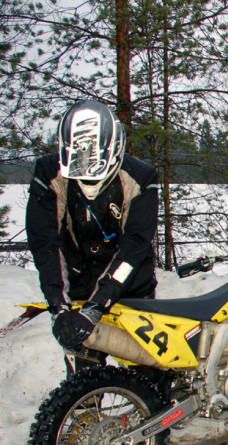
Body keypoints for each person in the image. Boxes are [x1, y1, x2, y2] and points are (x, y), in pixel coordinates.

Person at [26, 99, 160, 377]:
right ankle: (85, 417)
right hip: (78, 282)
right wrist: (58, 306)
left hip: (131, 287)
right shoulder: (49, 176)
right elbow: (45, 244)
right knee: (83, 374)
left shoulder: (140, 179)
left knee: (148, 371)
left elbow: (134, 246)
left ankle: (157, 409)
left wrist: (99, 302)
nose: (87, 173)